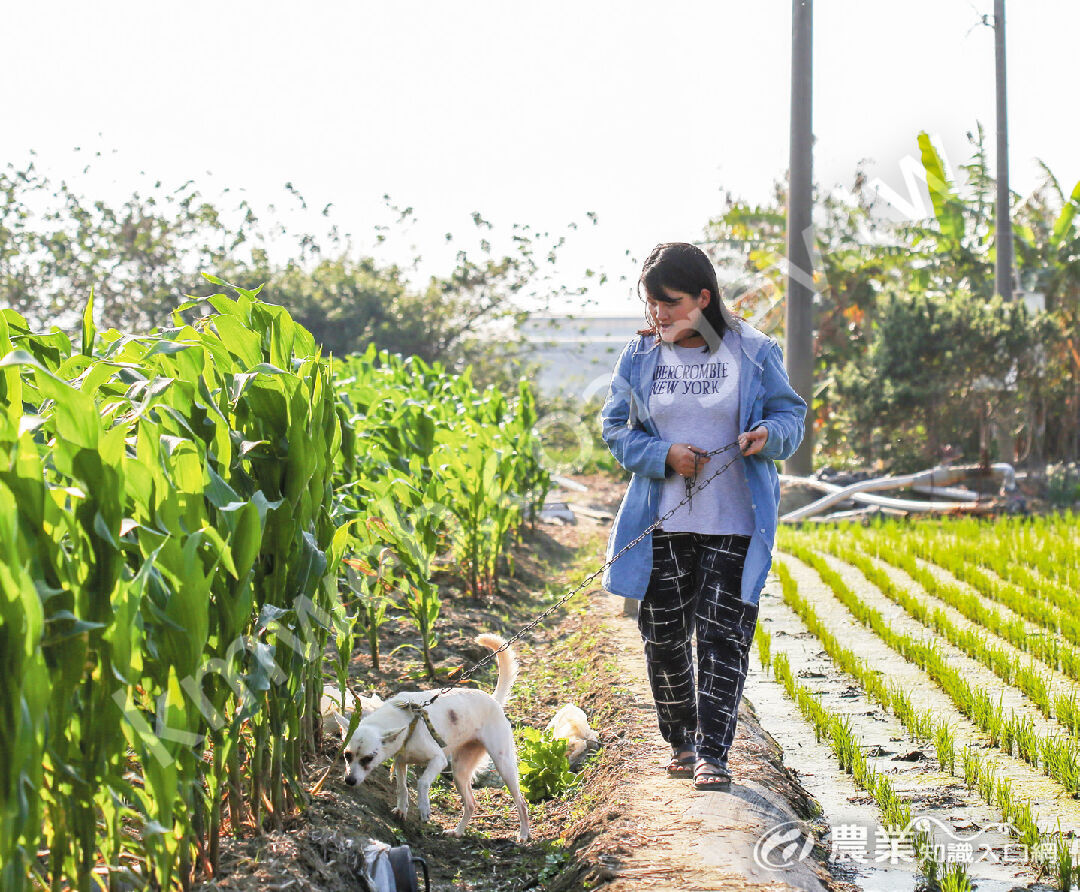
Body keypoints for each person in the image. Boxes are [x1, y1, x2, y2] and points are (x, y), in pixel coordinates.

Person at [600, 242, 806, 789]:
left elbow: (790, 415)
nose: (658, 315)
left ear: (703, 298)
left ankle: (715, 752)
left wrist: (769, 436)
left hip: (735, 521)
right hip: (661, 521)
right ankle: (682, 740)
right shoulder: (641, 357)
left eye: (669, 303)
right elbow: (616, 429)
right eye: (651, 304)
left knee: (722, 636)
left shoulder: (753, 352)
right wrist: (662, 454)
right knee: (663, 632)